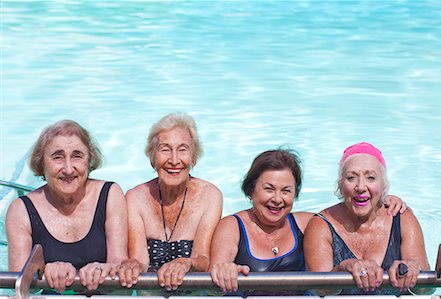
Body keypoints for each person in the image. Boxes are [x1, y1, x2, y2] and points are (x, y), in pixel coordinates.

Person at [209, 148, 407, 295]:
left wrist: (383, 202)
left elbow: (346, 212)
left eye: (286, 191)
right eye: (269, 189)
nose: (277, 199)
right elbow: (213, 284)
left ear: (295, 195)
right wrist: (224, 270)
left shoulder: (307, 223)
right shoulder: (232, 227)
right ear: (251, 190)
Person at [6, 120, 128, 293]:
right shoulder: (21, 210)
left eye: (77, 155)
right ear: (42, 163)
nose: (69, 169)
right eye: (58, 157)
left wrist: (103, 268)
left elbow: (118, 264)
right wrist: (43, 270)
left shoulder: (110, 195)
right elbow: (18, 283)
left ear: (89, 160)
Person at [304, 142, 432, 295]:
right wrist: (342, 268)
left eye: (371, 178)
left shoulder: (403, 220)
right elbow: (319, 289)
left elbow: (426, 289)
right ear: (340, 185)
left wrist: (412, 269)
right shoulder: (321, 225)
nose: (361, 187)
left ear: (383, 186)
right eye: (351, 178)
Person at [118, 113, 223, 292]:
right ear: (152, 159)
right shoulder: (135, 197)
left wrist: (186, 262)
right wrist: (131, 265)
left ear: (194, 158)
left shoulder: (210, 195)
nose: (174, 160)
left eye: (182, 149)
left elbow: (203, 258)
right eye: (165, 149)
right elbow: (139, 259)